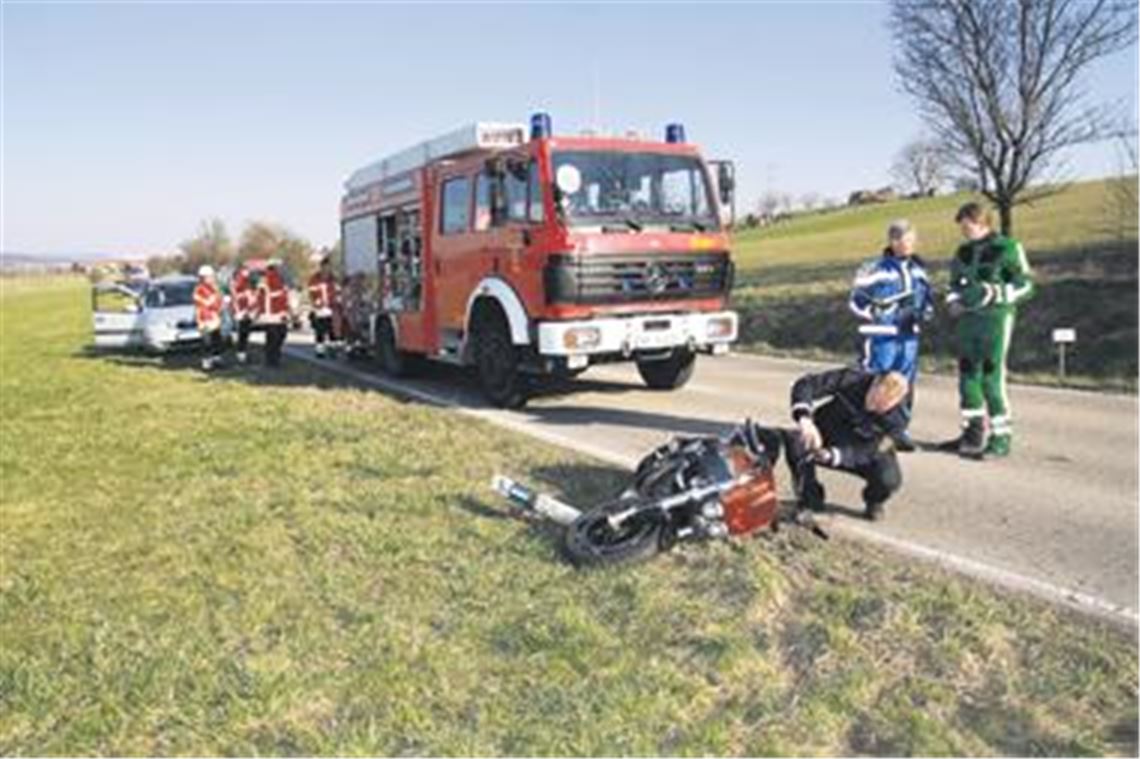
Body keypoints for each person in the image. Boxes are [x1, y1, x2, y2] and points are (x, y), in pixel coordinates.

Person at [946, 202, 1035, 459]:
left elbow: (1026, 285)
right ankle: (971, 435)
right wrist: (953, 302)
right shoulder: (962, 251)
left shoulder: (1008, 248)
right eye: (961, 226)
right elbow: (953, 284)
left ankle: (1001, 438)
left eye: (967, 226)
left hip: (995, 319)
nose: (964, 231)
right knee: (967, 378)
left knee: (991, 378)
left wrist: (993, 293)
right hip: (967, 321)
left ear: (982, 222)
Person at [776, 366, 910, 521]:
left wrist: (837, 455)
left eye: (882, 408)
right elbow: (806, 384)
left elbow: (877, 450)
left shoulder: (900, 418)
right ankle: (810, 497)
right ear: (874, 383)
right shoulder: (852, 379)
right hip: (828, 432)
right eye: (874, 400)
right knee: (795, 441)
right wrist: (805, 419)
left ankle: (874, 501)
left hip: (862, 450)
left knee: (889, 479)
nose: (873, 408)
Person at [848, 219, 934, 451]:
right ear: (892, 241)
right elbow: (855, 302)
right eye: (901, 239)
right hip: (881, 337)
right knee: (874, 381)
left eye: (910, 239)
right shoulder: (874, 268)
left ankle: (898, 430)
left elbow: (927, 300)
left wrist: (925, 312)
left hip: (908, 337)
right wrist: (874, 310)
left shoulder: (919, 269)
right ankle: (865, 429)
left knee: (904, 384)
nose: (906, 244)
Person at [256, 259, 290, 368]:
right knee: (274, 336)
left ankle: (274, 358)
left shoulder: (280, 279)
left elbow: (283, 295)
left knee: (279, 334)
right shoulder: (265, 279)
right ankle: (271, 359)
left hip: (279, 312)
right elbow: (262, 295)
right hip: (270, 312)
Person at [307, 256, 340, 358]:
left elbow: (338, 291)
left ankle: (333, 351)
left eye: (328, 267)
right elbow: (311, 292)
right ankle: (320, 352)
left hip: (332, 308)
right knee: (320, 331)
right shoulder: (314, 279)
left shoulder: (333, 279)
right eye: (325, 267)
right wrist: (316, 302)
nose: (327, 269)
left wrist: (337, 302)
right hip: (320, 309)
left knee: (332, 331)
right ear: (321, 267)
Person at [193, 265, 224, 371]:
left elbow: (218, 302)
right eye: (210, 277)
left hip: (214, 318)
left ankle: (217, 360)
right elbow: (202, 303)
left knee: (217, 341)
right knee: (207, 342)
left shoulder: (214, 288)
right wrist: (212, 301)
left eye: (212, 276)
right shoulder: (199, 289)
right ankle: (206, 363)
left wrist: (219, 304)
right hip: (204, 319)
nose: (212, 278)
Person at [230, 262, 255, 364]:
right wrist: (237, 311)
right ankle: (241, 354)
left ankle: (243, 353)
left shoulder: (246, 282)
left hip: (246, 310)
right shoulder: (236, 282)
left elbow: (250, 295)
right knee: (242, 333)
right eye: (246, 271)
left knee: (245, 333)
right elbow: (235, 296)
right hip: (240, 310)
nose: (247, 273)